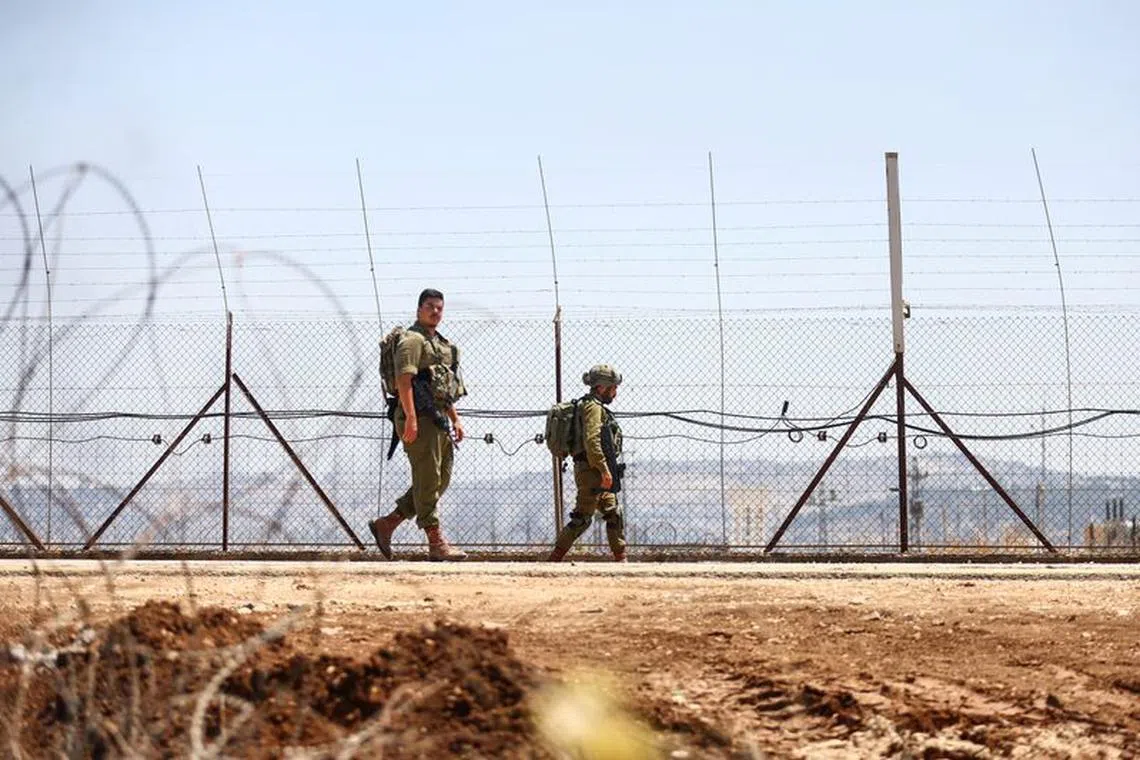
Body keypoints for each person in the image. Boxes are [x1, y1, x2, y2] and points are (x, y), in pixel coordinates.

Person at [369, 288, 468, 561]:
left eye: (439, 307)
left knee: (439, 479)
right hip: (418, 417)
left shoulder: (439, 343)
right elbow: (405, 380)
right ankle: (436, 542)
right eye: (429, 307)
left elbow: (439, 387)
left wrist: (455, 419)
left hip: (437, 417)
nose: (435, 312)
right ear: (418, 310)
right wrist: (411, 417)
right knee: (428, 479)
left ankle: (387, 524)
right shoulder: (412, 340)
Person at [549, 365, 627, 562]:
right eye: (613, 388)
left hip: (597, 469)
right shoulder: (592, 407)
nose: (615, 393)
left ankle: (622, 559)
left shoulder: (594, 406)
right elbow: (592, 441)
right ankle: (554, 559)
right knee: (582, 518)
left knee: (613, 513)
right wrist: (603, 470)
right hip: (592, 471)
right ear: (601, 388)